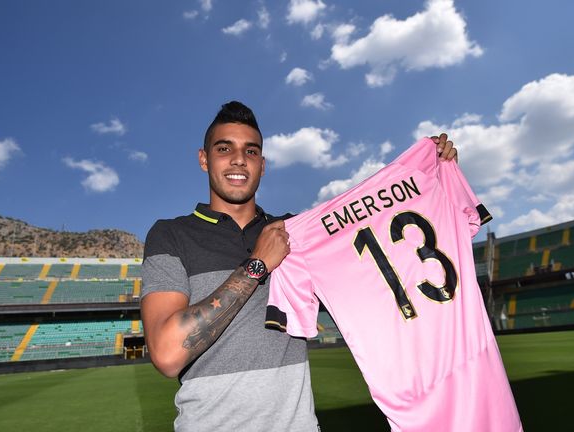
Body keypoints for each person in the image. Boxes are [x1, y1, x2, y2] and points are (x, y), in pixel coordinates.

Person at [140, 100, 457, 431]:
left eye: (250, 152)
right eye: (224, 148)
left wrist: (430, 178)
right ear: (204, 159)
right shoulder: (171, 235)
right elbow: (166, 353)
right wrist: (257, 264)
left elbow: (382, 247)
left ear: (263, 165)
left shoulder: (299, 231)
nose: (238, 159)